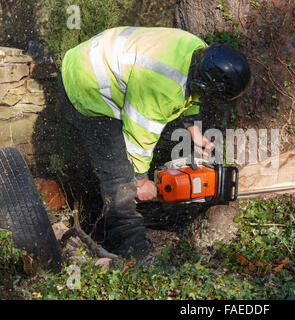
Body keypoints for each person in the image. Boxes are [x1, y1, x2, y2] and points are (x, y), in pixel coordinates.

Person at [58, 27, 251, 261]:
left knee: (117, 171)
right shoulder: (162, 85)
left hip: (99, 60)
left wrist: (193, 129)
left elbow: (192, 92)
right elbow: (137, 140)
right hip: (85, 83)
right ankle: (134, 258)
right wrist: (141, 181)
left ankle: (102, 229)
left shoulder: (199, 53)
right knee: (120, 181)